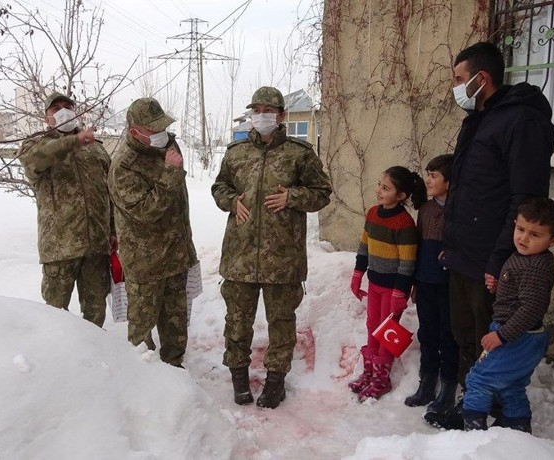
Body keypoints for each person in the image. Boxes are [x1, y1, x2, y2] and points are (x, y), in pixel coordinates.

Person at [427, 42, 554, 427]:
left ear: (481, 79)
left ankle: (496, 413)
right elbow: (469, 189)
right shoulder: (479, 120)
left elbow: (525, 197)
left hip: (491, 258)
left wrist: (502, 257)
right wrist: (450, 244)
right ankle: (473, 404)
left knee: (491, 339)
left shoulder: (521, 120)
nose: (455, 88)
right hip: (464, 253)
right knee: (466, 334)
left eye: (459, 80)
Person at [212, 86, 332, 408]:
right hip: (240, 256)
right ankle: (239, 378)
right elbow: (219, 186)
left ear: (280, 115)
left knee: (281, 323)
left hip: (283, 257)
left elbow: (322, 192)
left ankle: (275, 382)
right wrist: (230, 201)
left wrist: (292, 197)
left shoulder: (300, 153)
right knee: (237, 321)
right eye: (257, 109)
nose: (261, 115)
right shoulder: (236, 153)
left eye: (268, 110)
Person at [461, 197, 554, 433]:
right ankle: (517, 429)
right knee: (512, 386)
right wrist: (503, 284)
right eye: (520, 229)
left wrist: (502, 336)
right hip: (526, 335)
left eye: (535, 235)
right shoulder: (528, 257)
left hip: (516, 336)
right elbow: (523, 293)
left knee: (479, 380)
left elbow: (531, 308)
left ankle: (472, 434)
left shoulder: (535, 266)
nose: (523, 238)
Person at [108, 97, 197, 368]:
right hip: (146, 264)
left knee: (176, 324)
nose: (162, 134)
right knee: (141, 331)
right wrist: (170, 174)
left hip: (176, 255)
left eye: (163, 127)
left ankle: (174, 370)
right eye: (154, 129)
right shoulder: (123, 165)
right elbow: (146, 211)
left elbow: (179, 203)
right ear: (135, 132)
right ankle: (143, 380)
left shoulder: (167, 145)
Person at [19, 91, 114, 327]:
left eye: (67, 106)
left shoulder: (96, 149)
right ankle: (59, 361)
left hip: (96, 246)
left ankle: (93, 358)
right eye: (56, 108)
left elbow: (110, 193)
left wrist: (113, 231)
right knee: (54, 316)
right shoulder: (36, 146)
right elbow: (36, 160)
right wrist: (74, 141)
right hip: (60, 247)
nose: (63, 111)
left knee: (95, 313)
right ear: (47, 118)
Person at [348, 166, 426, 402]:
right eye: (379, 185)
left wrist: (399, 292)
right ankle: (369, 372)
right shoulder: (372, 213)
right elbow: (364, 246)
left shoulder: (404, 223)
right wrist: (357, 274)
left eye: (386, 188)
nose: (379, 191)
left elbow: (407, 261)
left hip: (393, 289)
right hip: (375, 284)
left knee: (386, 330)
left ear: (400, 196)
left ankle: (381, 380)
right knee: (372, 325)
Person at [404, 155, 459, 413]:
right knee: (427, 333)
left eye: (434, 175)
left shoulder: (460, 210)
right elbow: (418, 248)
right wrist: (415, 282)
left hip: (450, 285)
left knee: (448, 334)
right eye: (428, 173)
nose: (428, 179)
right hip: (426, 282)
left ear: (450, 181)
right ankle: (427, 381)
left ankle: (448, 386)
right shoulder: (425, 210)